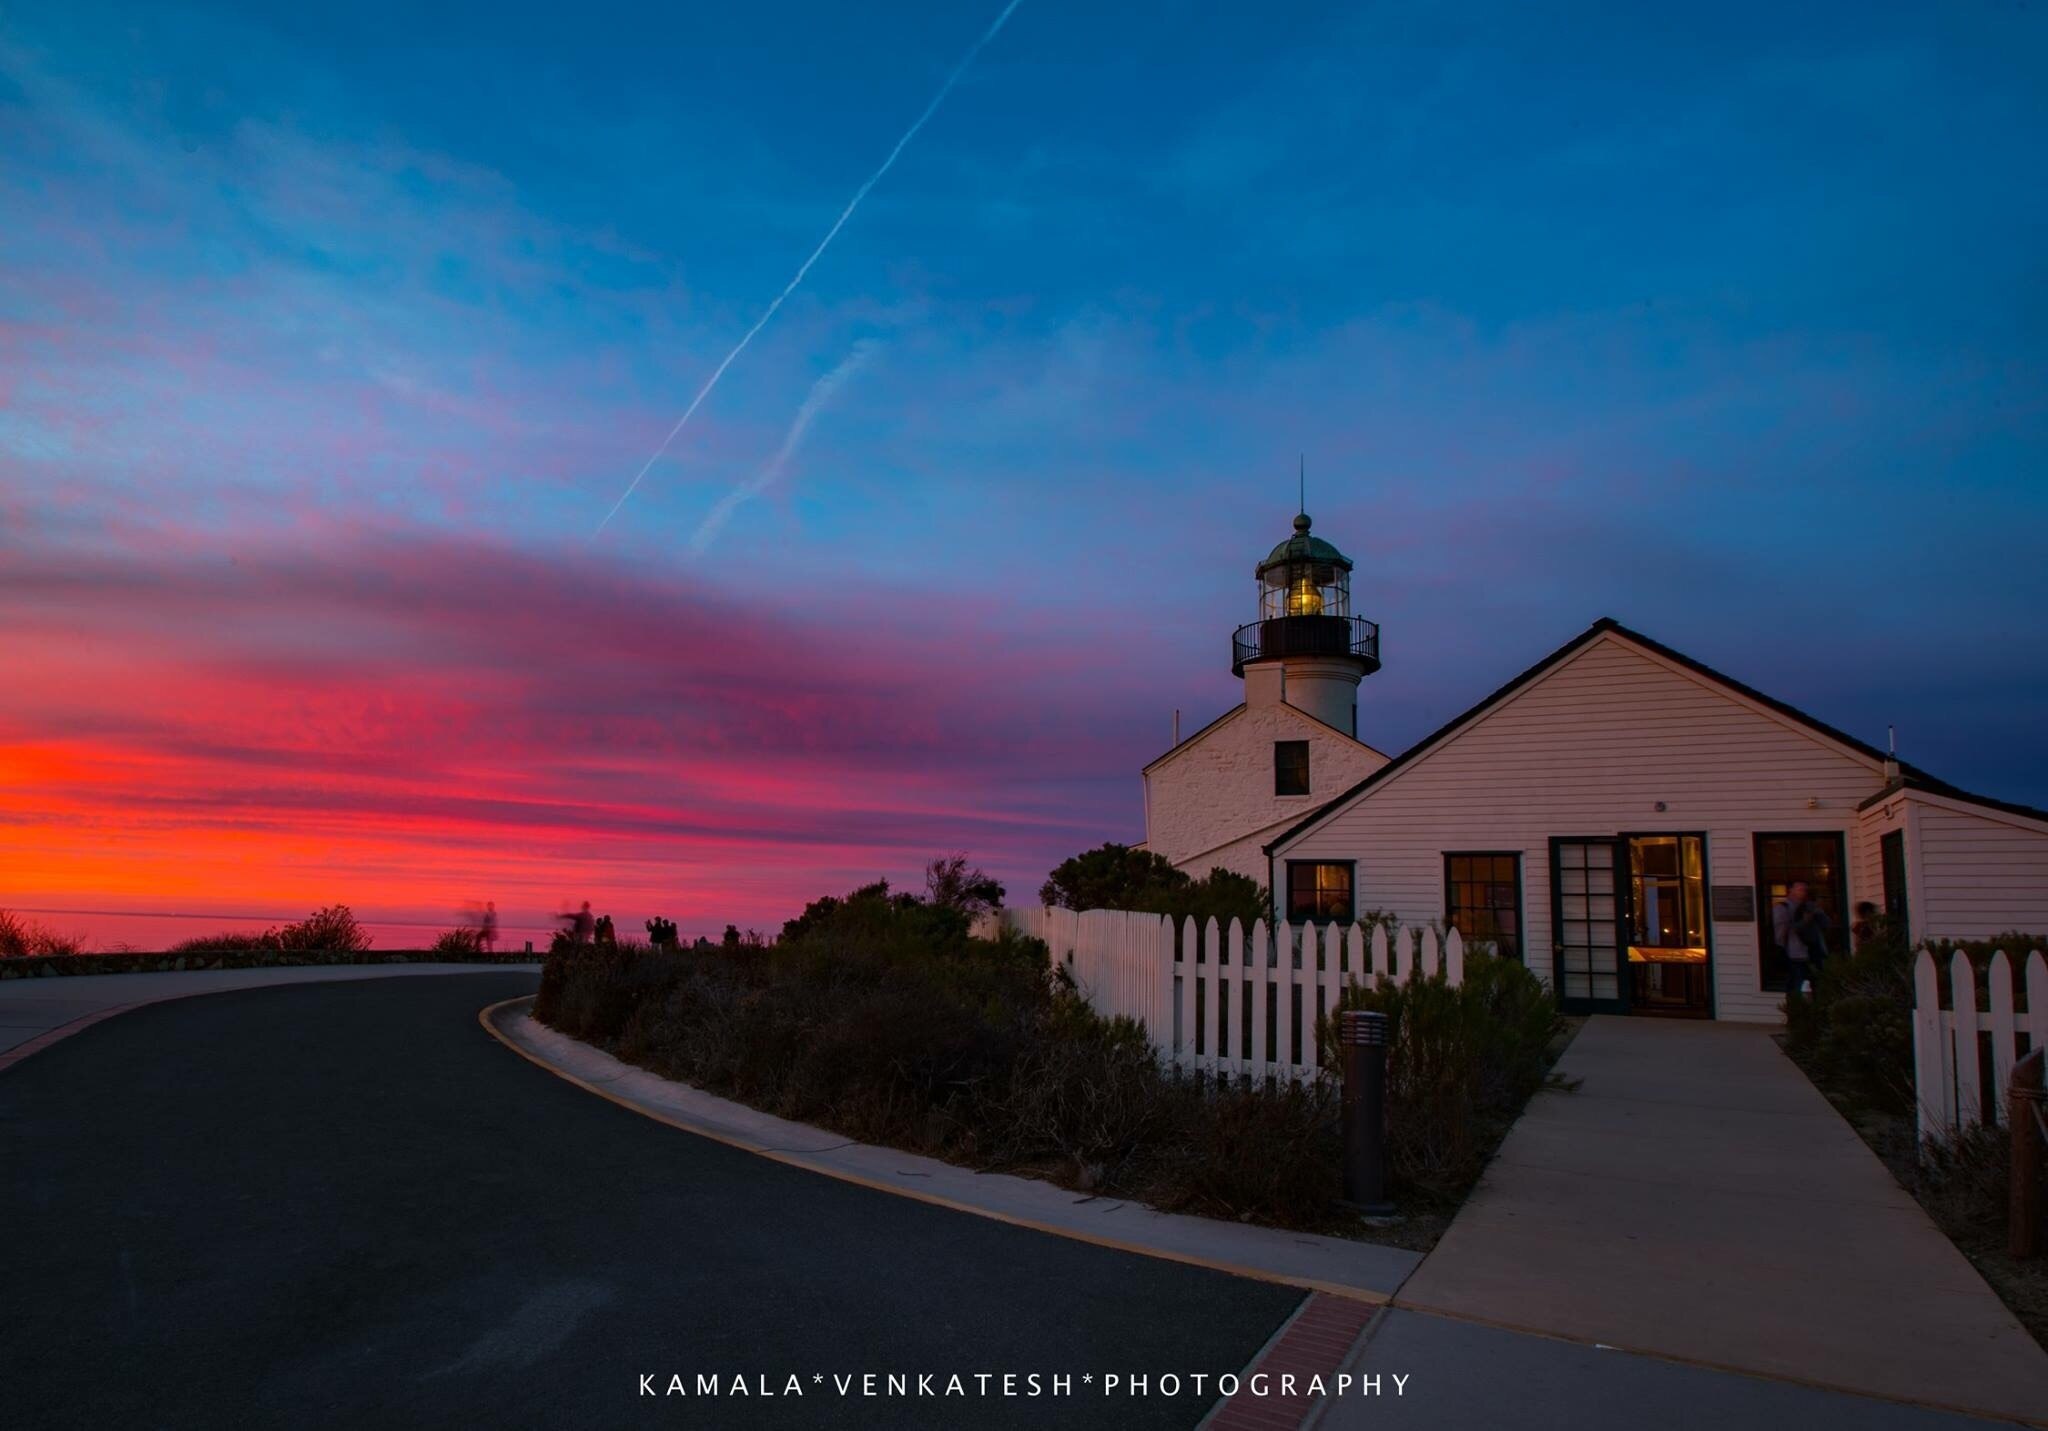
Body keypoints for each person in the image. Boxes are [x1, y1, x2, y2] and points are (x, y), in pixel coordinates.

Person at [1774, 880, 1820, 998]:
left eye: (1805, 890)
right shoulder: (1782, 908)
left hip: (1812, 954)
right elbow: (1782, 933)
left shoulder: (1809, 907)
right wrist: (1804, 922)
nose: (1804, 893)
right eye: (1800, 889)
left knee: (1813, 989)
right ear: (1790, 890)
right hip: (1794, 955)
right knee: (1797, 989)